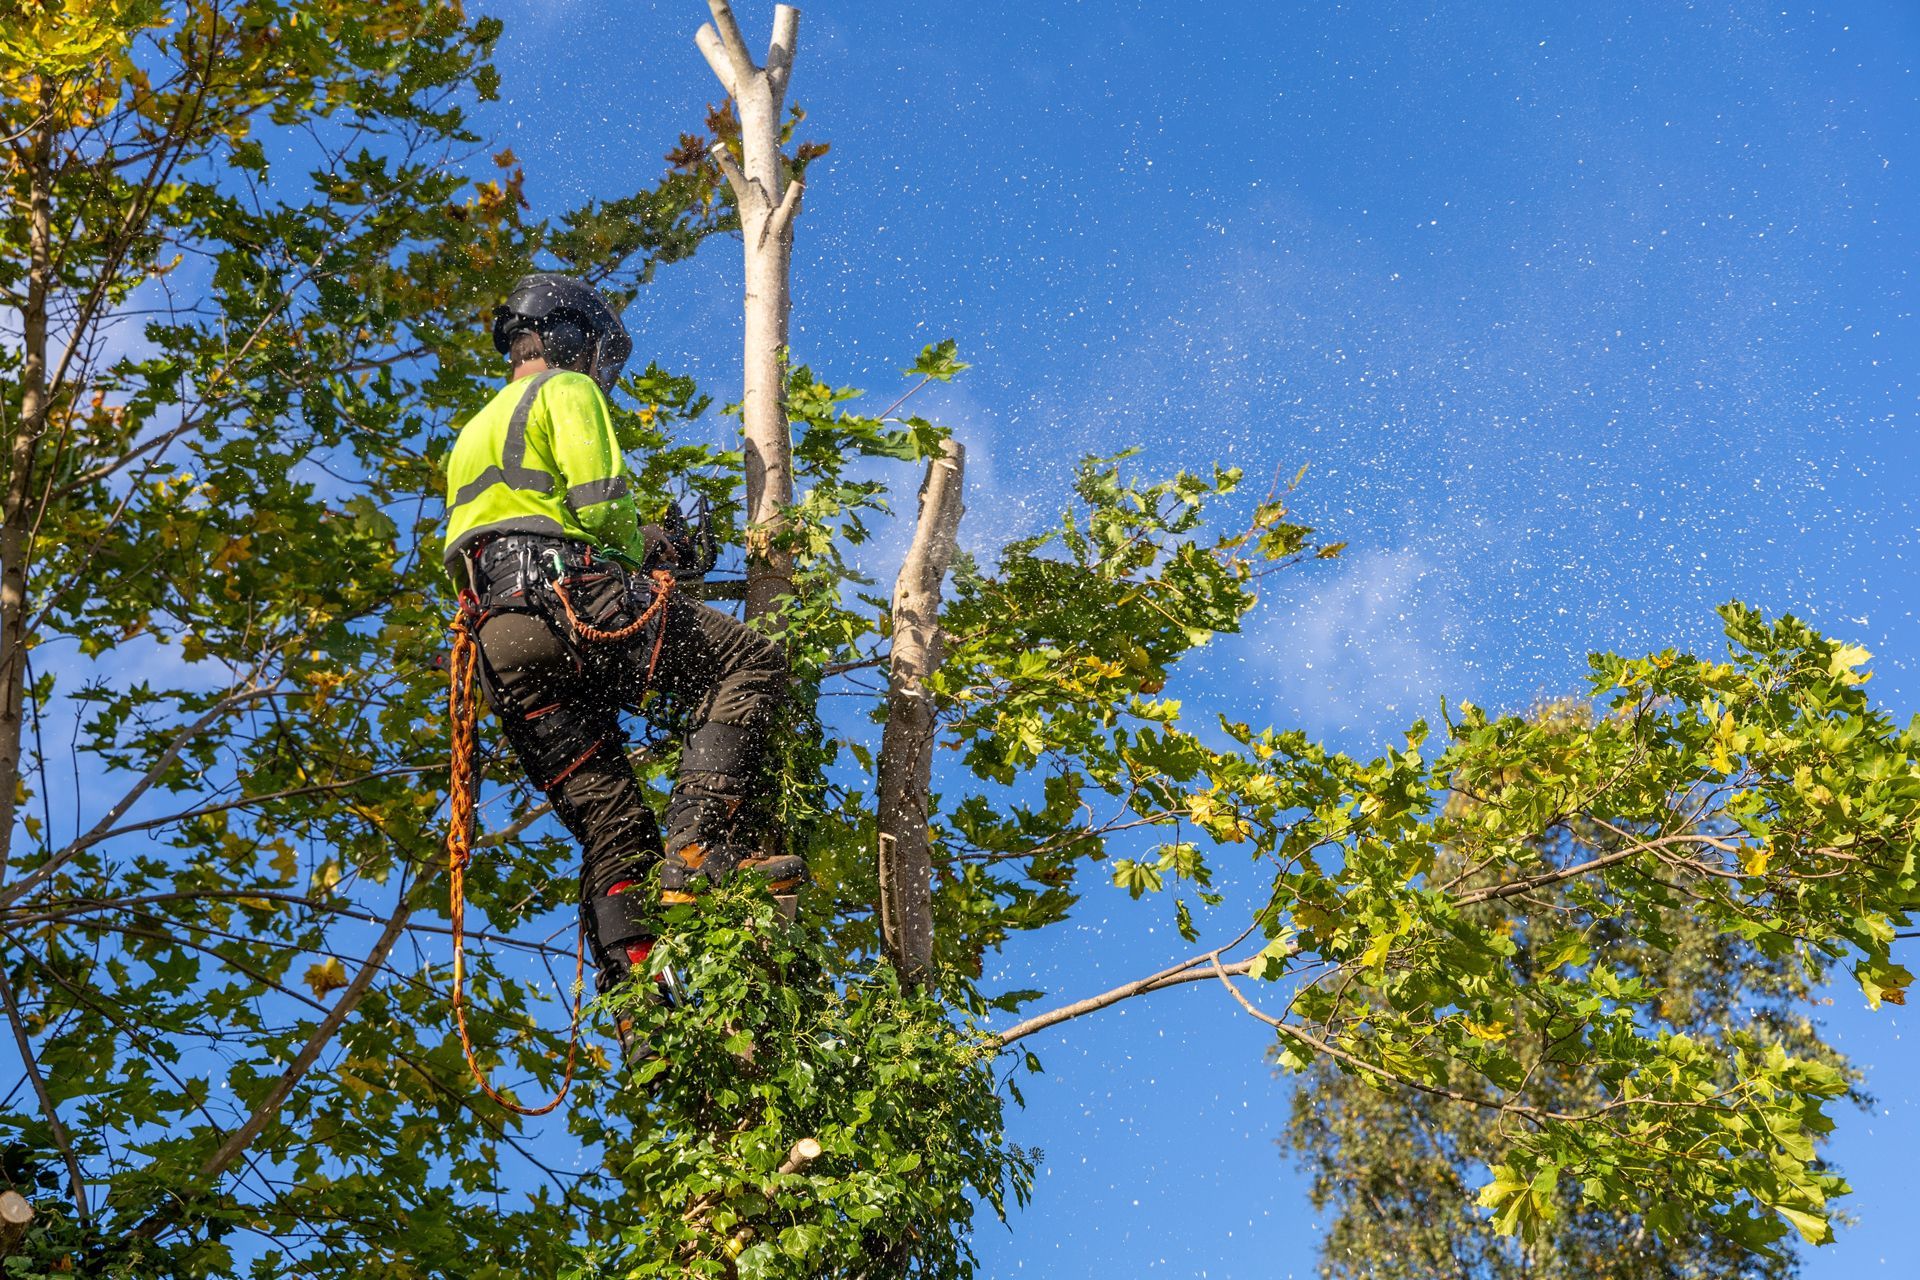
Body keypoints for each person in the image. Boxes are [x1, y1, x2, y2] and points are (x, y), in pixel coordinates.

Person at [442, 272, 803, 1045]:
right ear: (573, 339)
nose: (602, 370)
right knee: (751, 663)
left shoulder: (472, 431)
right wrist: (662, 552)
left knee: (610, 815)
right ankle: (698, 853)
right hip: (567, 598)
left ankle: (640, 997)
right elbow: (602, 508)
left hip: (503, 639)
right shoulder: (568, 394)